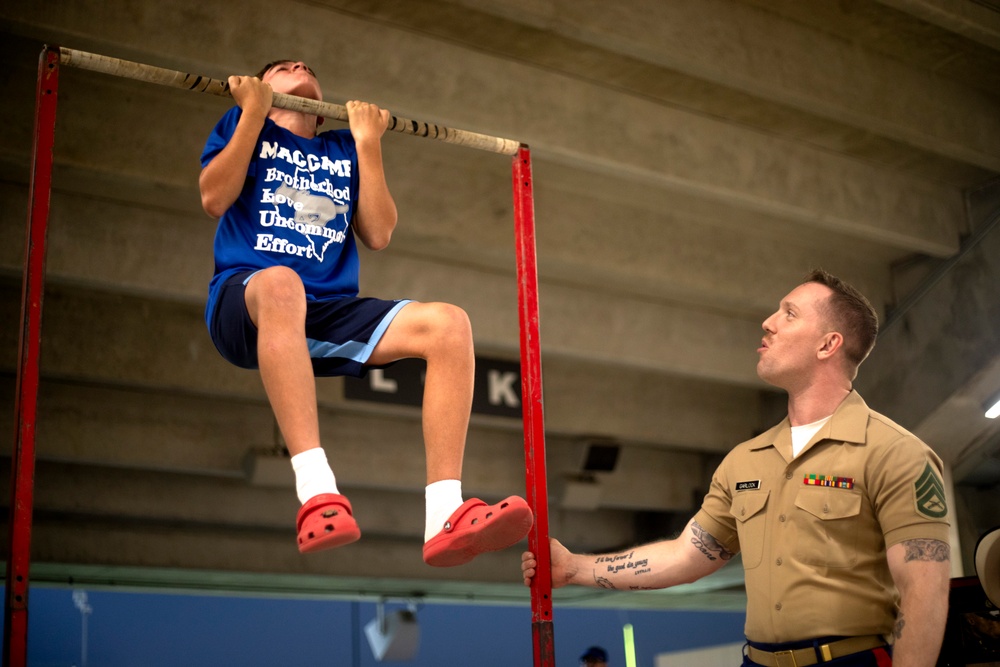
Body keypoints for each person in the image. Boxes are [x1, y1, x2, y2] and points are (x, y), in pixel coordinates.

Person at [522, 270, 952, 666]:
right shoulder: (745, 460)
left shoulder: (894, 453)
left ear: (828, 344)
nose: (768, 322)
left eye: (789, 313)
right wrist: (574, 568)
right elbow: (686, 554)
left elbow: (924, 591)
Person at [199, 60, 532, 566]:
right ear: (262, 89)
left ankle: (445, 510)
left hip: (325, 311)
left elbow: (378, 233)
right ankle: (316, 492)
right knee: (284, 284)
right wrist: (250, 113)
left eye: (307, 67)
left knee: (449, 325)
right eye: (282, 67)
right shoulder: (245, 123)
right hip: (246, 303)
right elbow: (214, 196)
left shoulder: (342, 148)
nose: (299, 66)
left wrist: (368, 143)